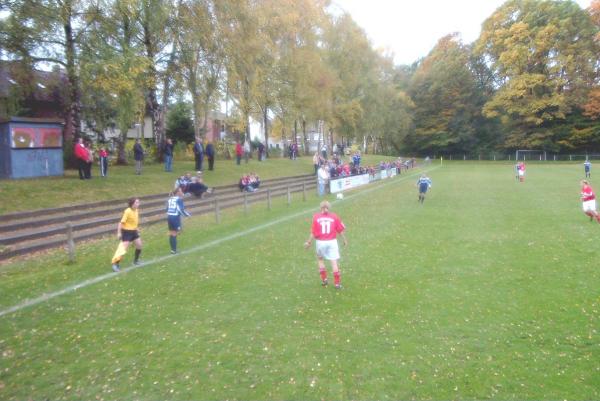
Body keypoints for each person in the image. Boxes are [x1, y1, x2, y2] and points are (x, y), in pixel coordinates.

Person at [304, 200, 347, 289]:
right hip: (332, 242)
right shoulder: (334, 216)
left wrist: (308, 242)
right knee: (334, 262)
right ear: (329, 207)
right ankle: (337, 284)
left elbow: (313, 232)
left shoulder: (316, 217)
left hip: (321, 242)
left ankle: (324, 280)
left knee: (320, 259)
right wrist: (344, 240)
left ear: (321, 208)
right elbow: (341, 230)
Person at [111, 197, 143, 272]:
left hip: (134, 231)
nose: (138, 204)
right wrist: (119, 233)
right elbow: (121, 223)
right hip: (127, 232)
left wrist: (137, 229)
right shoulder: (127, 211)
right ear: (132, 204)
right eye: (137, 202)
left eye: (139, 202)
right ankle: (115, 264)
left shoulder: (136, 210)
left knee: (139, 245)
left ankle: (136, 261)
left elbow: (134, 222)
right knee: (123, 249)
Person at [167, 187, 191, 254]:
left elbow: (167, 209)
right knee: (176, 233)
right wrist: (188, 215)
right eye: (180, 191)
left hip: (169, 217)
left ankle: (173, 249)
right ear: (177, 192)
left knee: (172, 233)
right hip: (175, 217)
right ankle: (174, 250)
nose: (182, 192)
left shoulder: (170, 199)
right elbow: (181, 210)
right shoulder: (179, 200)